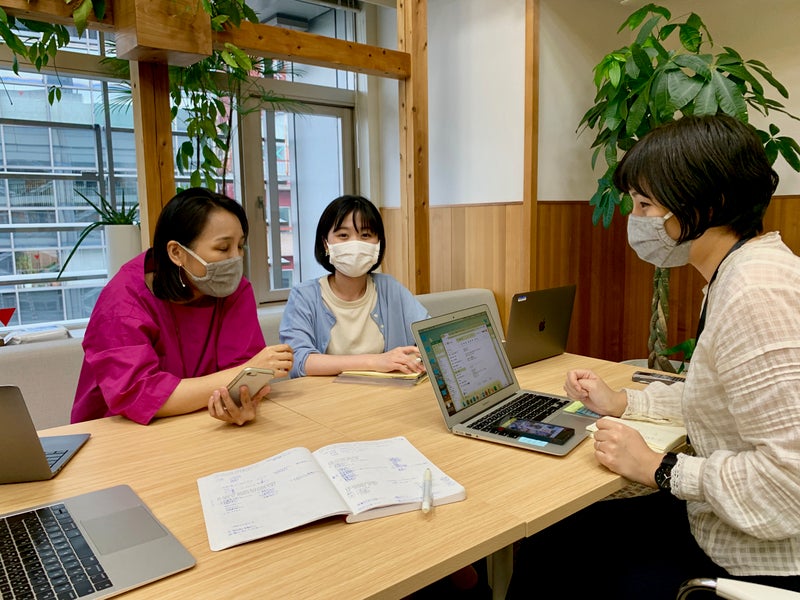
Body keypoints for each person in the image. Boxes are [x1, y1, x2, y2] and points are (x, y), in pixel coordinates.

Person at [506, 114, 800, 599]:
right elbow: (718, 402)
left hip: (752, 559)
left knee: (556, 556)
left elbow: (789, 485)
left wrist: (659, 467)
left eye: (646, 204)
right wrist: (624, 402)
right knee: (557, 538)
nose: (637, 220)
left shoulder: (757, 294)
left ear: (708, 204)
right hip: (726, 524)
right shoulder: (740, 273)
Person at [72, 187, 294, 426]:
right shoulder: (123, 302)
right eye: (223, 248)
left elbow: (244, 378)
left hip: (201, 420)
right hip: (122, 430)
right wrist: (242, 374)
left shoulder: (233, 290)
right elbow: (140, 395)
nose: (236, 258)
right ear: (177, 252)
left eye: (240, 246)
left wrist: (240, 402)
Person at [279, 194, 429, 378]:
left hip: (387, 392)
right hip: (329, 395)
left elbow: (429, 338)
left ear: (378, 243)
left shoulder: (389, 288)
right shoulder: (304, 296)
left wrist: (416, 356)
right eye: (343, 235)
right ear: (325, 243)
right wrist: (374, 362)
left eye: (365, 235)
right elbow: (297, 361)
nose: (355, 244)